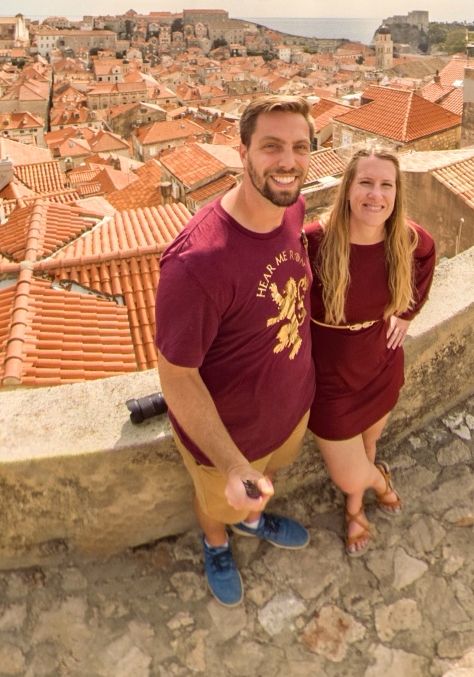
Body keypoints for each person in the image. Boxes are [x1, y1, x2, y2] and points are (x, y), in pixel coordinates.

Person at [155, 95, 318, 606]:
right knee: (217, 506)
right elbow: (177, 376)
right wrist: (231, 467)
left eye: (299, 147)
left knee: (266, 480)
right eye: (271, 147)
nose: (288, 161)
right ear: (242, 151)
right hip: (227, 442)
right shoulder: (198, 262)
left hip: (290, 411)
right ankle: (217, 542)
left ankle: (252, 520)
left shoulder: (292, 207)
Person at [303, 145, 437, 554]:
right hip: (327, 378)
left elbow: (428, 255)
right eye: (365, 182)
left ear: (396, 193)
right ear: (347, 188)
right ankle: (378, 481)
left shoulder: (405, 239)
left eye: (386, 185)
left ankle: (355, 507)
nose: (375, 194)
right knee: (348, 472)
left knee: (367, 444)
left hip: (380, 364)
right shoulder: (313, 242)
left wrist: (408, 313)